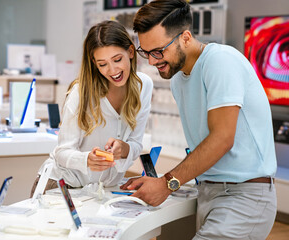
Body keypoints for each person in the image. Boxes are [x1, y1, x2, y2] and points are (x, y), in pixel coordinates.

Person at [121, 0, 277, 239]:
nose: (152, 61)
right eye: (146, 52)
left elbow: (222, 139)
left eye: (158, 51)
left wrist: (166, 183)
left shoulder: (220, 61)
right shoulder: (177, 79)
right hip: (206, 192)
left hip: (245, 196)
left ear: (185, 37)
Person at [30, 20, 153, 196]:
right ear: (94, 63)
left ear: (131, 52)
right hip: (61, 186)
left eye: (117, 59)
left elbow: (135, 144)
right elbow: (62, 152)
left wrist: (123, 148)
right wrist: (86, 160)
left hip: (101, 191)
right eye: (102, 64)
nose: (112, 70)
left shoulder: (143, 86)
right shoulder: (80, 92)